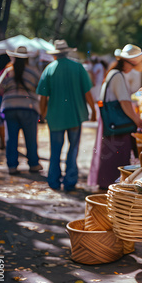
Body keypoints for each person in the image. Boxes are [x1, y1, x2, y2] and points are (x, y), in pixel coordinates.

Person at [37, 39, 96, 191]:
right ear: (67, 52)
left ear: (55, 54)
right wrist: (93, 110)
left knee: (55, 150)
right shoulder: (78, 67)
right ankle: (70, 181)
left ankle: (54, 181)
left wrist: (42, 113)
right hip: (75, 116)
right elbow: (87, 92)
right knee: (73, 149)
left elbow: (42, 97)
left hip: (55, 117)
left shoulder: (49, 69)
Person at [88, 44, 142, 190]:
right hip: (117, 124)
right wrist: (137, 120)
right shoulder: (118, 76)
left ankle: (105, 182)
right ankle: (111, 184)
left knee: (108, 155)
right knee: (116, 156)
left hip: (110, 121)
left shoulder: (112, 74)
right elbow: (125, 102)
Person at [0, 47, 41, 174]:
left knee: (11, 138)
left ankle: (12, 166)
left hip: (9, 108)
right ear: (27, 58)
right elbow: (40, 88)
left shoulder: (9, 71)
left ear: (14, 57)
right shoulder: (33, 71)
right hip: (29, 108)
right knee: (31, 137)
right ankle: (33, 164)